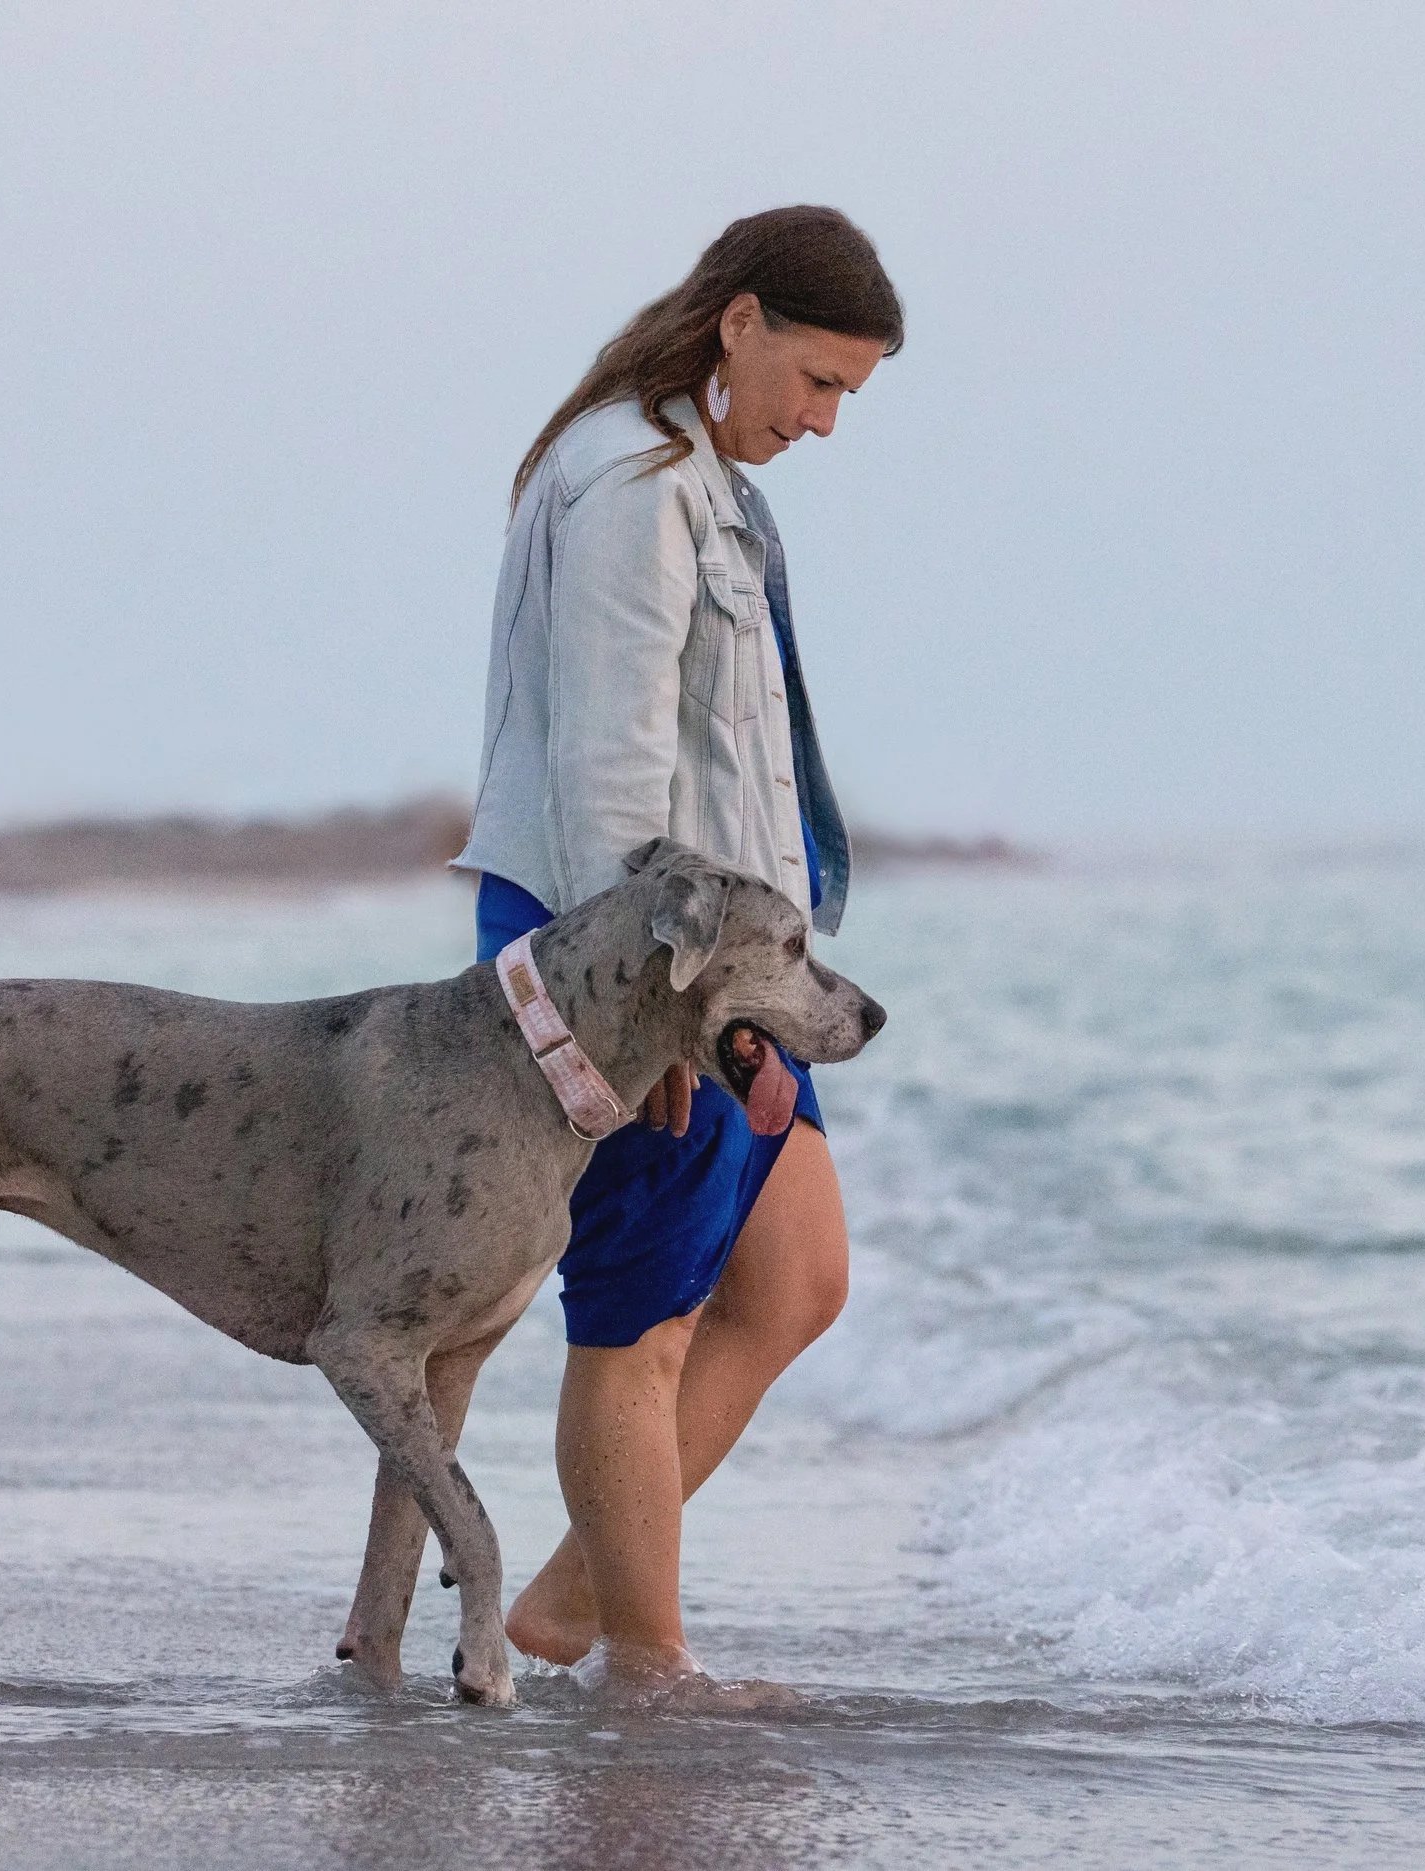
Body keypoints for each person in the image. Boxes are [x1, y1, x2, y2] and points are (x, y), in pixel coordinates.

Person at [448, 205, 904, 1686]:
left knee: (798, 1280)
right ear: (741, 323)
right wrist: (644, 1020)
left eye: (850, 395)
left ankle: (574, 1606)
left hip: (728, 964)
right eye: (819, 382)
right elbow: (606, 783)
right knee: (641, 1314)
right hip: (639, 958)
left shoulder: (698, 477)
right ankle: (648, 1663)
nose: (826, 422)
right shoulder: (637, 485)